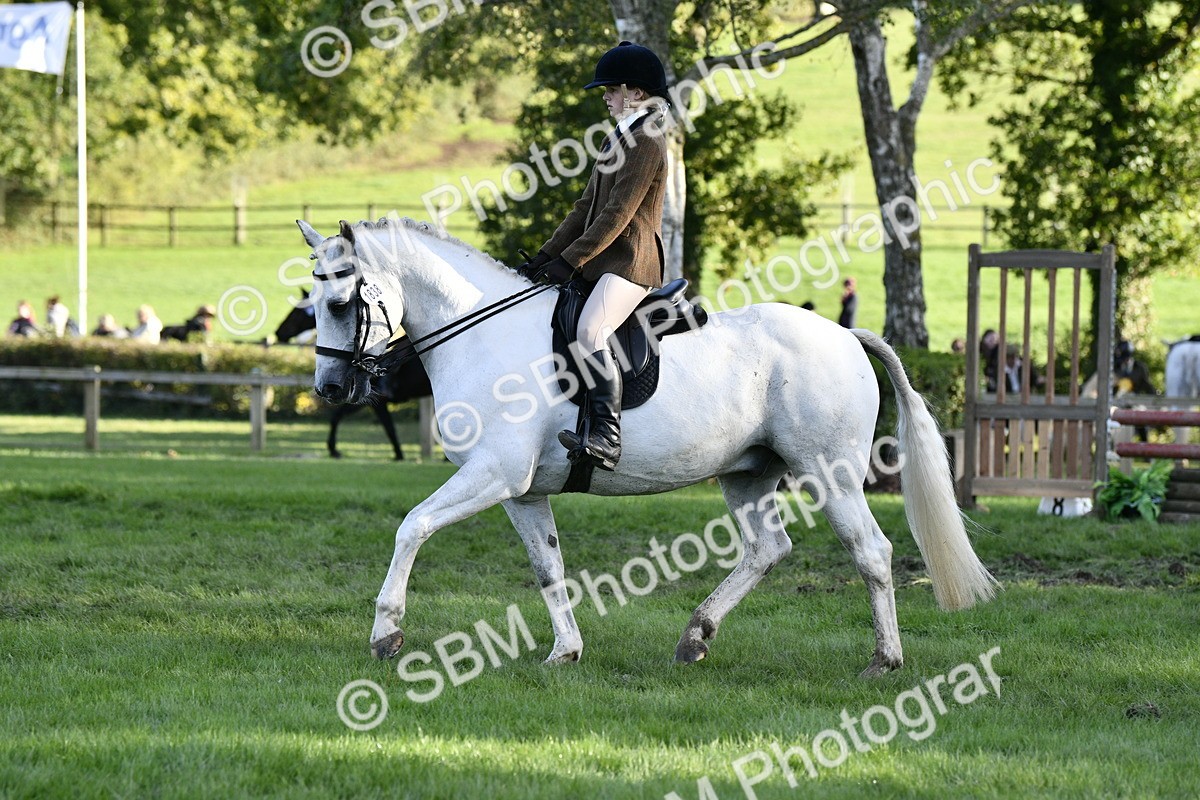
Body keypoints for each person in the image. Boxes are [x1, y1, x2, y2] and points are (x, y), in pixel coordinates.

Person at [516, 41, 671, 471]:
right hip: (605, 261)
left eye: (611, 89)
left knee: (590, 331)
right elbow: (585, 207)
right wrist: (546, 256)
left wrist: (571, 261)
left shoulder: (647, 141)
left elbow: (618, 213)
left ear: (636, 92)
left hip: (632, 262)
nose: (605, 97)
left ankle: (607, 436)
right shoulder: (616, 137)